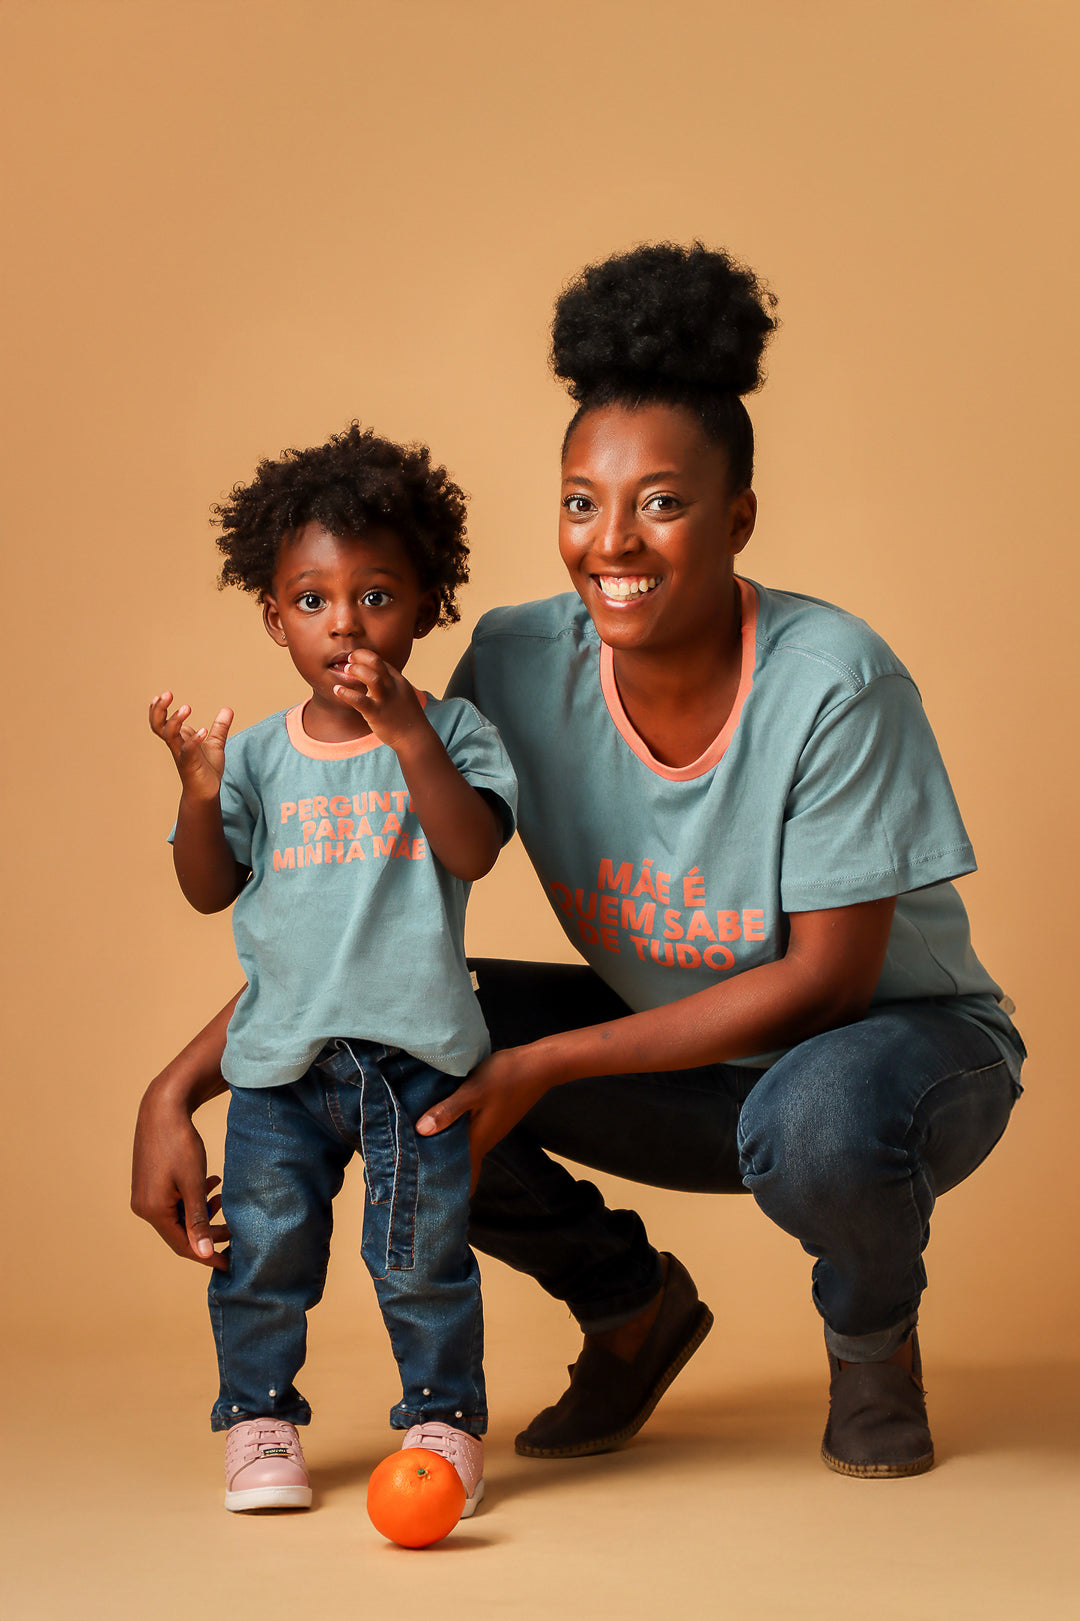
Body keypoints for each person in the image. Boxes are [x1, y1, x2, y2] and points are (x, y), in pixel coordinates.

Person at [134, 245, 1024, 1483]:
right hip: (675, 1058)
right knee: (402, 1056)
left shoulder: (835, 681)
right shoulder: (512, 668)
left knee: (817, 1116)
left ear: (737, 518)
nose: (612, 541)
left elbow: (825, 985)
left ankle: (875, 1349)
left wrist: (547, 1062)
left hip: (890, 1057)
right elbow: (355, 934)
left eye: (660, 503)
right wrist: (176, 1089)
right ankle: (631, 1307)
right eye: (578, 502)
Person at [147, 424, 517, 1515]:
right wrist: (198, 790)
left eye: (376, 596)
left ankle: (444, 1420)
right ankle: (258, 1419)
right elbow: (209, 887)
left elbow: (473, 850)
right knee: (264, 1254)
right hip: (279, 1069)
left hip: (418, 1063)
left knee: (421, 1258)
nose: (344, 623)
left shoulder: (454, 732)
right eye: (313, 600)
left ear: (427, 607)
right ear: (275, 617)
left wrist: (409, 738)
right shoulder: (260, 756)